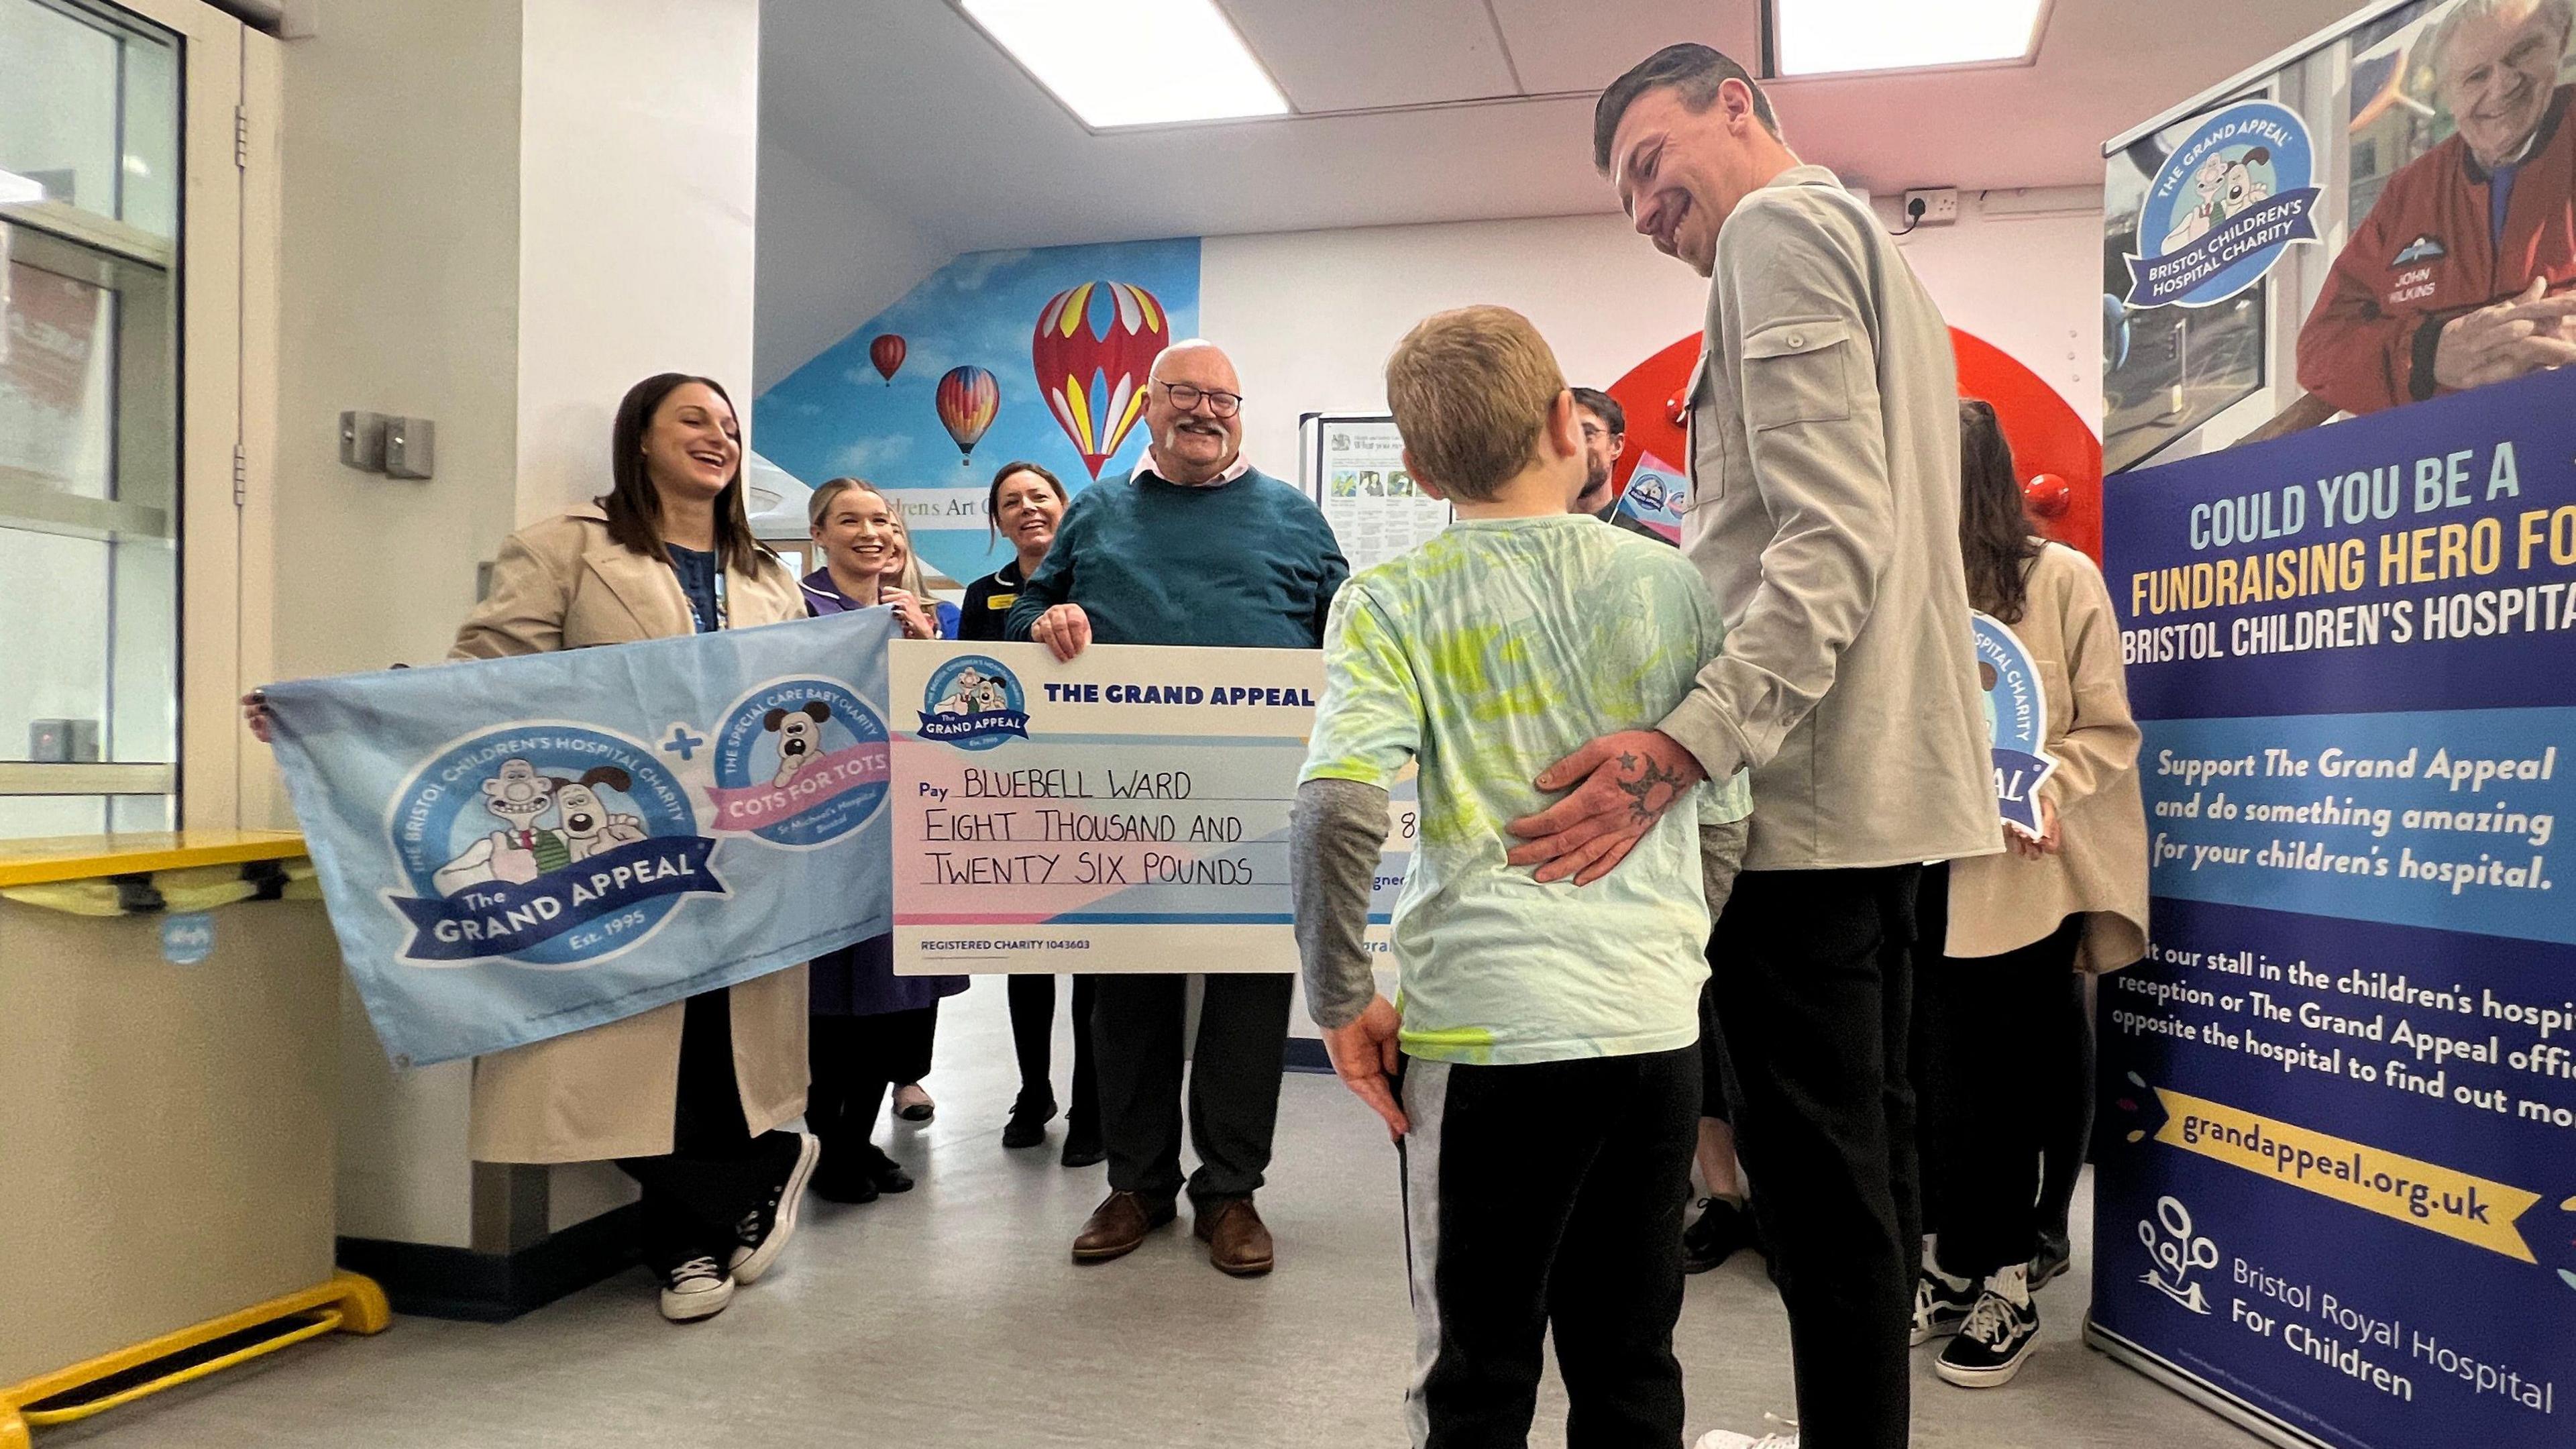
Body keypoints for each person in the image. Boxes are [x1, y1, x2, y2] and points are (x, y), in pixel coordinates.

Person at [1534, 46, 1996, 1449]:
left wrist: (1678, 747)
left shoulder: (1778, 233)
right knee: (1869, 1166)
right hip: (1891, 789)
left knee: (1817, 1187)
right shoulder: (1869, 250)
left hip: (1800, 796)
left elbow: (1824, 541)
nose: (1639, 208)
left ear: (1736, 107)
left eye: (1645, 164)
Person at [241, 374, 822, 1324]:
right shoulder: (568, 548)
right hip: (615, 850)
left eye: (728, 425)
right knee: (612, 1038)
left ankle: (687, 1246)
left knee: (717, 1043)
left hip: (739, 851)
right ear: (640, 438)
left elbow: (808, 696)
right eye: (694, 420)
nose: (717, 438)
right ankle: (752, 1175)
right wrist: (352, 714)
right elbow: (488, 671)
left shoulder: (767, 576)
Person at [1295, 305, 1752, 1449]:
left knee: (1477, 1366)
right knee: (1631, 1354)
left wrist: (1342, 996)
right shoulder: (1676, 588)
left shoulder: (1392, 600)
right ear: (1571, 425)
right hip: (1652, 1034)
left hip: (1487, 1040)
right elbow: (1727, 822)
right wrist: (1667, 946)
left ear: (1412, 468)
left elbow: (1336, 807)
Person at [1007, 339, 1348, 1277]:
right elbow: (1020, 614)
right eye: (1185, 395)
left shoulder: (1294, 516)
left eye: (1223, 398)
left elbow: (1351, 640)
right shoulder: (1097, 510)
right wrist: (1042, 621)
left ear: (1242, 413)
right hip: (1121, 803)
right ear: (1148, 408)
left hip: (1259, 803)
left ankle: (1231, 1193)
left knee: (1248, 997)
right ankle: (1137, 1186)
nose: (1205, 411)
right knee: (1129, 997)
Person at [1907, 402, 2147, 1390]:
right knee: (1929, 1089)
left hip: (2017, 884)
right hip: (1908, 877)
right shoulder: (1896, 587)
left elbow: (2107, 732)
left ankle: (2011, 1272)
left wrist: (2043, 782)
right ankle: (1957, 1258)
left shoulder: (2061, 581)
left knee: (2002, 1087)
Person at [799, 477, 965, 1201]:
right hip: (829, 839)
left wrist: (927, 649)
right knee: (833, 1003)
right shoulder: (796, 614)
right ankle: (826, 1147)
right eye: (851, 521)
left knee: (890, 1002)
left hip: (905, 833)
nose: (872, 533)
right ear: (820, 535)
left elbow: (954, 722)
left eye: (883, 521)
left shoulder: (920, 617)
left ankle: (856, 1140)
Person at [2298, 0, 2576, 414]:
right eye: (2476, 75)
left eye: (2522, 52)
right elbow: (2320, 350)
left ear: (2559, 43)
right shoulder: (2411, 191)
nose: (2502, 85)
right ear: (2448, 92)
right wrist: (2430, 353)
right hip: (2448, 464)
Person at [959, 460, 1104, 1166]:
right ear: (999, 520)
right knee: (1029, 955)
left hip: (1096, 790)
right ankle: (1033, 1090)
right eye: (1011, 502)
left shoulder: (1097, 587)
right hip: (1016, 793)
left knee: (1092, 959)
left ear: (1066, 507)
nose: (1027, 509)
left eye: (1039, 497)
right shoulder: (984, 596)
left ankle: (1090, 1102)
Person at [1570, 386, 1627, 517]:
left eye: (1587, 433)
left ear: (1616, 446)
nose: (1571, 445)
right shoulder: (1528, 528)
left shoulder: (1642, 535)